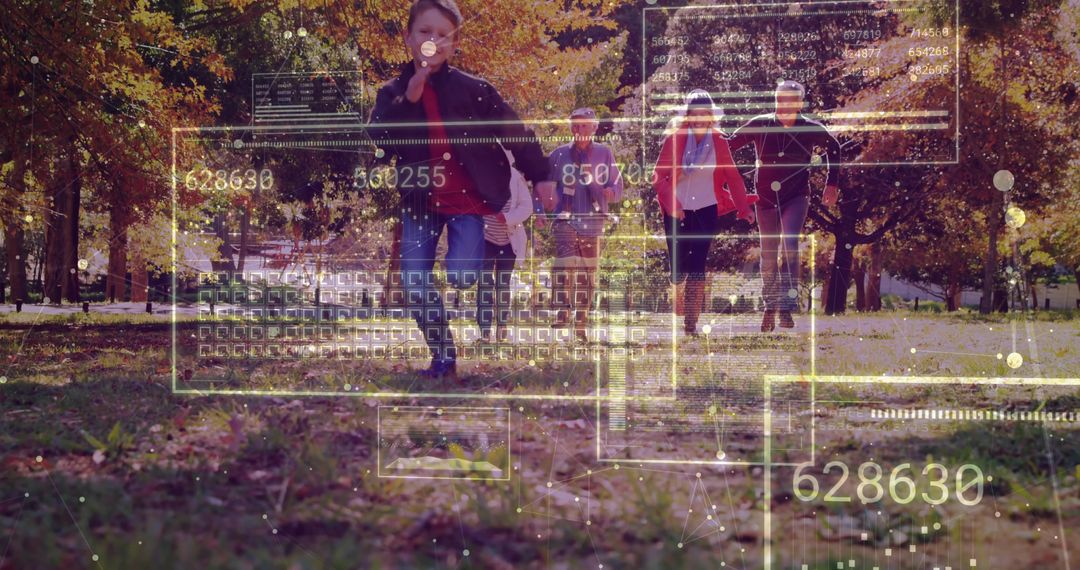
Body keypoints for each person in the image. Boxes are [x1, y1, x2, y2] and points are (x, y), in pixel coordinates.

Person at [368, 0, 555, 380]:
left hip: (470, 202)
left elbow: (514, 130)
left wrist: (542, 174)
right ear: (408, 38)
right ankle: (443, 357)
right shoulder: (391, 93)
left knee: (462, 275)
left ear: (453, 46)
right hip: (420, 201)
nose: (432, 40)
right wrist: (412, 95)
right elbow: (380, 138)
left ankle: (467, 281)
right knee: (414, 282)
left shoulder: (475, 90)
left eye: (442, 35)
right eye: (424, 32)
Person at [728, 80, 841, 331]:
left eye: (789, 100)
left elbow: (835, 148)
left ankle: (787, 309)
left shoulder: (811, 128)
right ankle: (770, 306)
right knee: (768, 254)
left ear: (800, 103)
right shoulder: (760, 124)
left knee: (789, 243)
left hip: (796, 196)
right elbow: (728, 145)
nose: (783, 105)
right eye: (779, 100)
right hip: (765, 198)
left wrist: (831, 184)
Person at [652, 90, 755, 336]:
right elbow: (657, 176)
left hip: (706, 209)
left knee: (698, 263)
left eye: (704, 114)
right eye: (694, 114)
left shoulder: (719, 141)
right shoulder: (675, 139)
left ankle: (690, 324)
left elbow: (732, 176)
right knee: (678, 265)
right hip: (676, 210)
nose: (699, 119)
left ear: (711, 117)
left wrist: (743, 207)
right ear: (687, 116)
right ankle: (677, 282)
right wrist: (673, 206)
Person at [541, 107, 623, 342]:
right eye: (575, 125)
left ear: (594, 128)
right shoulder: (558, 155)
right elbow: (544, 184)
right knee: (565, 267)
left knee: (587, 275)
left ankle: (581, 323)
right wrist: (542, 207)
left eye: (584, 125)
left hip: (593, 220)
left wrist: (610, 192)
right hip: (565, 219)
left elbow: (617, 185)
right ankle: (563, 310)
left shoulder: (604, 154)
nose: (579, 130)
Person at [477, 153, 533, 343]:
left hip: (508, 242)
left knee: (503, 284)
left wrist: (507, 218)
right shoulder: (482, 174)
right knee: (484, 283)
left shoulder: (516, 177)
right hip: (485, 239)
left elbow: (527, 207)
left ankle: (502, 325)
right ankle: (484, 331)